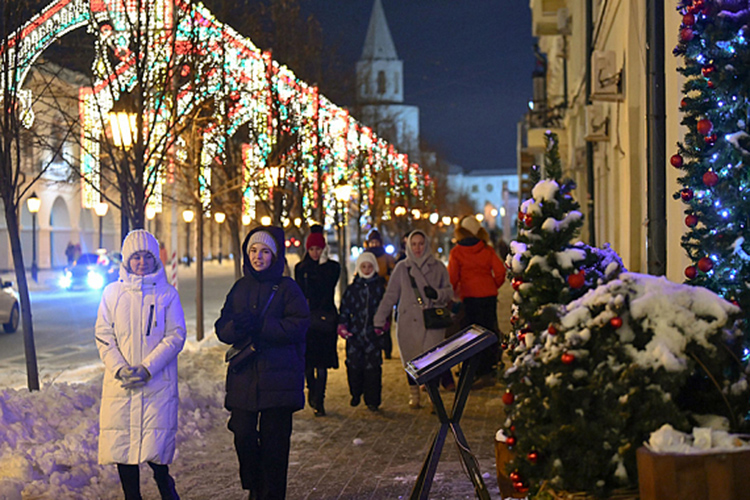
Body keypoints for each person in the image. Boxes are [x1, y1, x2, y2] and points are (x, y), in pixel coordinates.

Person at [215, 226, 309, 500]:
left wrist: (262, 325)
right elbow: (222, 327)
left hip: (279, 379)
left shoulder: (288, 288)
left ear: (275, 256)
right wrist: (237, 327)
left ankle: (271, 495)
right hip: (245, 378)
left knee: (275, 445)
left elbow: (299, 325)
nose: (258, 257)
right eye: (253, 251)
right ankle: (255, 486)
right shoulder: (240, 287)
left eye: (265, 251)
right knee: (242, 433)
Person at [95, 229, 186, 500]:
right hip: (121, 385)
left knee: (156, 451)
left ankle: (166, 490)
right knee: (124, 450)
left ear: (155, 258)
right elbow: (103, 335)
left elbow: (176, 335)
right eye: (136, 257)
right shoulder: (112, 294)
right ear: (126, 260)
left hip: (156, 384)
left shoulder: (167, 294)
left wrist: (148, 367)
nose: (142, 262)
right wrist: (119, 368)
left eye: (147, 256)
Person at [374, 230, 454, 409]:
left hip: (432, 321)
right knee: (410, 358)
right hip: (408, 321)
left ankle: (433, 397)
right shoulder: (402, 268)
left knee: (432, 360)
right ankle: (414, 394)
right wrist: (379, 319)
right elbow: (391, 295)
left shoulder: (438, 266)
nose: (418, 248)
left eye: (421, 244)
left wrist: (438, 294)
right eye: (414, 244)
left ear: (426, 245)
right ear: (409, 246)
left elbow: (449, 292)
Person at [448, 215, 506, 381]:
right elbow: (501, 271)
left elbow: (452, 278)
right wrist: (493, 285)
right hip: (488, 296)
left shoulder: (457, 252)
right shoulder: (488, 250)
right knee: (488, 330)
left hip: (469, 297)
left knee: (470, 334)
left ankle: (471, 368)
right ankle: (487, 368)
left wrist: (451, 295)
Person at [294, 224, 340, 417]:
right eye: (312, 249)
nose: (315, 253)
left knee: (322, 364)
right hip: (307, 320)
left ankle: (319, 399)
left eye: (318, 249)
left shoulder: (332, 268)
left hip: (326, 320)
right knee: (308, 363)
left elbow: (327, 288)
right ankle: (312, 391)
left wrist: (322, 266)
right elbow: (301, 293)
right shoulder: (301, 268)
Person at [338, 252, 387, 411]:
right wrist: (343, 326)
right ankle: (356, 392)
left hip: (373, 335)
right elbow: (345, 308)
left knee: (372, 369)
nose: (366, 270)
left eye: (369, 266)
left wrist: (383, 325)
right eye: (363, 266)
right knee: (354, 366)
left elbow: (386, 309)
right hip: (355, 334)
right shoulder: (353, 289)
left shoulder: (379, 288)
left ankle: (372, 400)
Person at [365, 228, 396, 359]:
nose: (374, 245)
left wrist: (385, 280)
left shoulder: (387, 257)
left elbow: (393, 274)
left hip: (384, 292)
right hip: (369, 293)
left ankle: (387, 348)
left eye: (376, 242)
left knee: (385, 321)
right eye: (372, 242)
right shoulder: (366, 256)